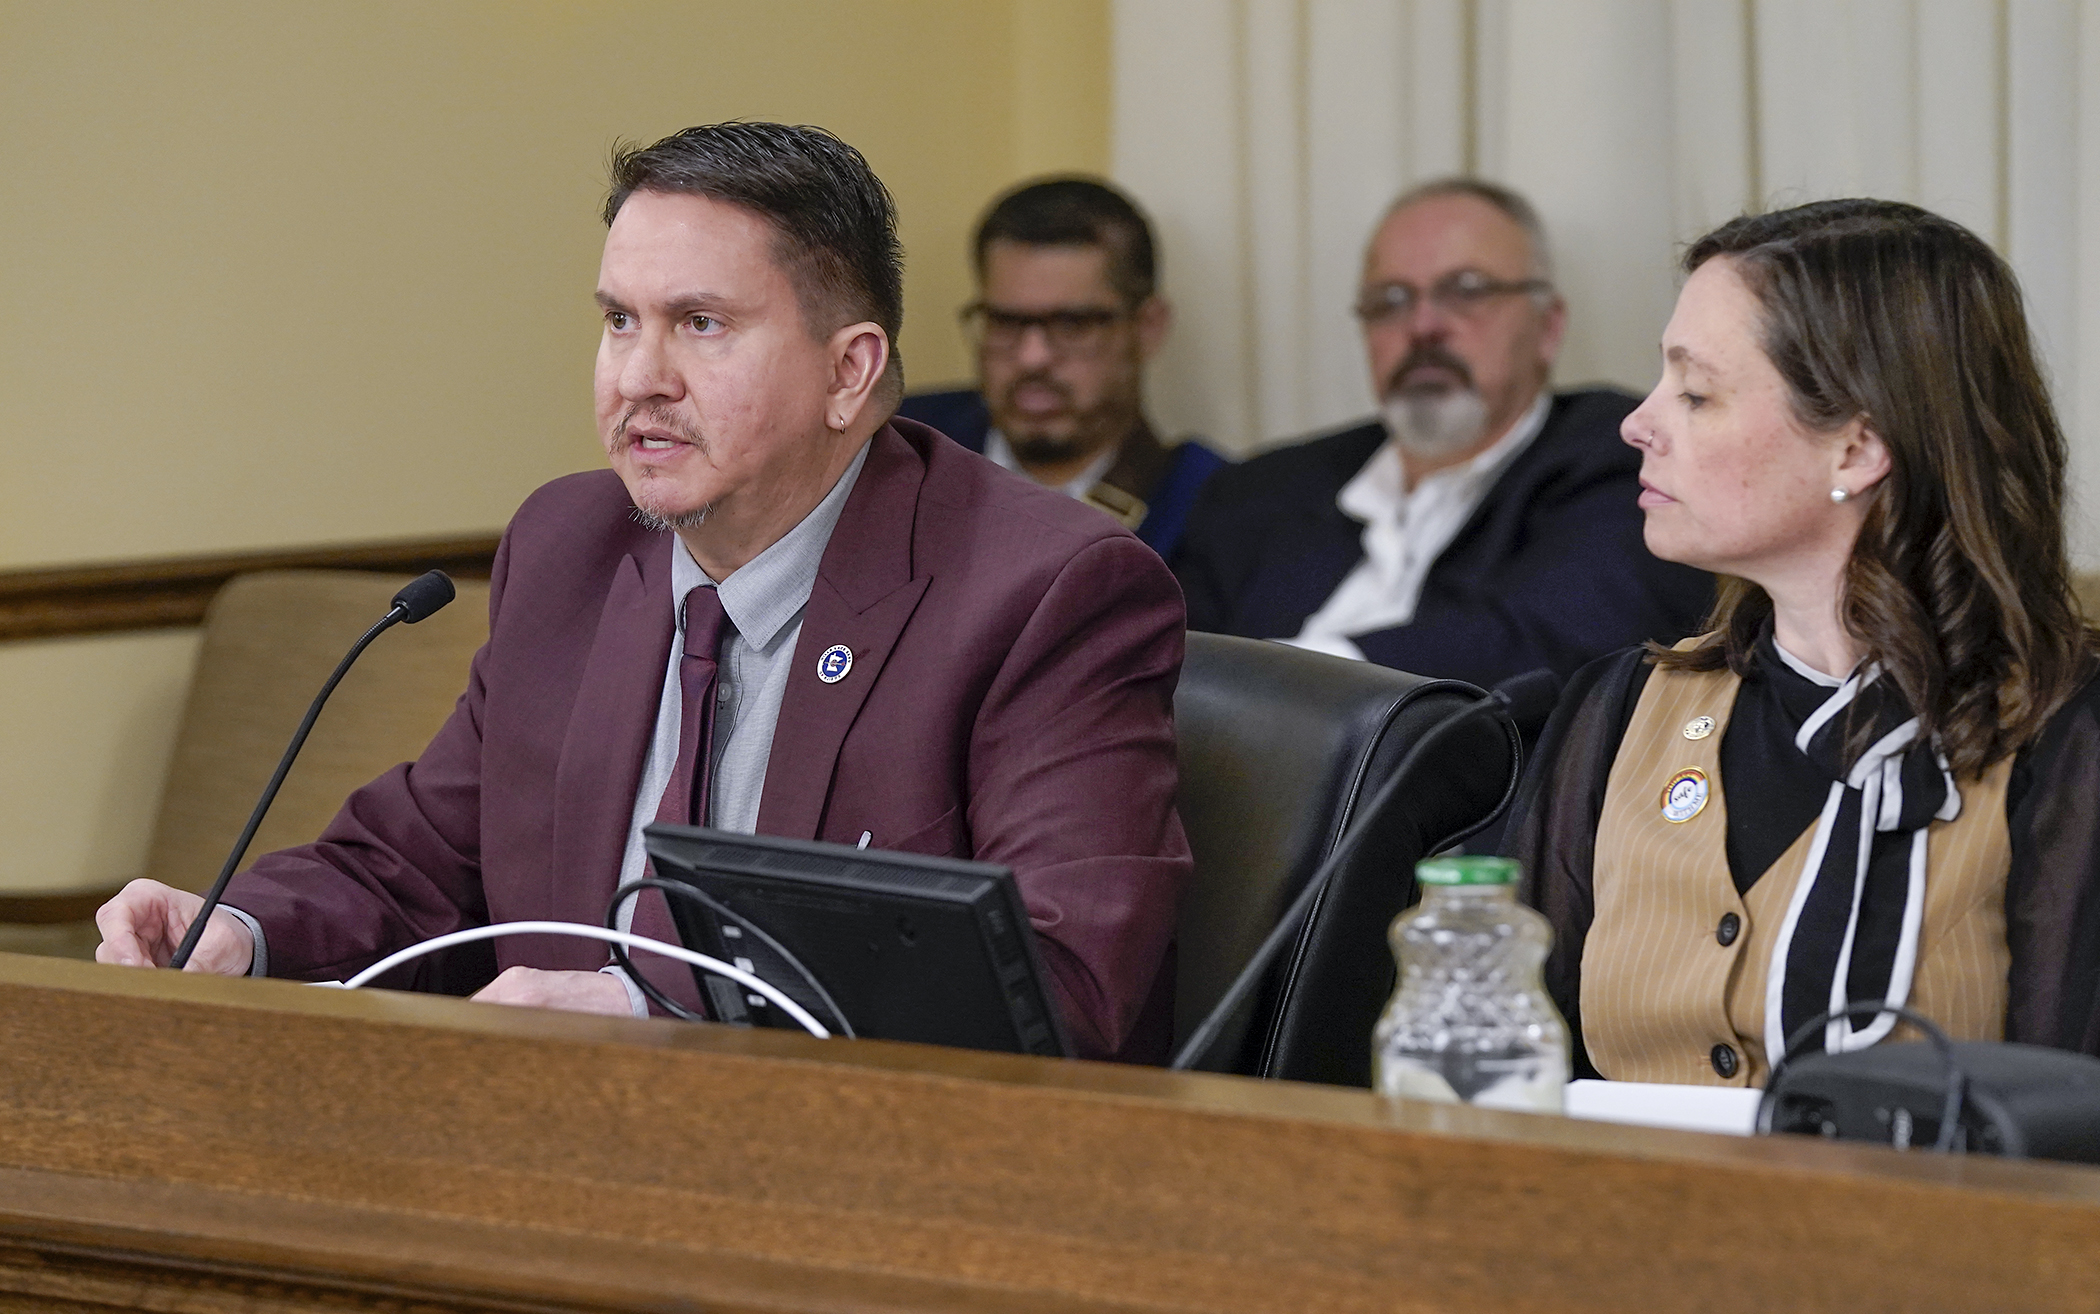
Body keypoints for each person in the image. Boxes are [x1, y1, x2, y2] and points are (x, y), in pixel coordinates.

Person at [93, 123, 1191, 1063]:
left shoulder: (1047, 590)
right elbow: (417, 863)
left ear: (849, 372)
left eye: (700, 324)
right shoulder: (572, 544)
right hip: (560, 1160)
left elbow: (1060, 988)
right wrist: (239, 929)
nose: (639, 379)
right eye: (620, 319)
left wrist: (649, 1009)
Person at [1505, 198, 2100, 1088]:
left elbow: (2071, 1148)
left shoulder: (2068, 734)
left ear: (1857, 450)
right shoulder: (1618, 710)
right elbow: (1504, 1079)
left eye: (1696, 392)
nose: (1638, 423)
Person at [1173, 178, 1709, 690]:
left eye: (1467, 291)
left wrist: (1273, 689)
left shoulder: (1622, 457)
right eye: (1390, 300)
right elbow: (1159, 675)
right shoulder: (1256, 492)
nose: (1423, 325)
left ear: (1548, 327)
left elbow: (1553, 645)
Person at [899, 178, 1226, 558]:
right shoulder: (897, 445)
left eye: (1073, 325)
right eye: (1005, 322)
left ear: (1147, 328)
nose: (1031, 357)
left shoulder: (1213, 509)